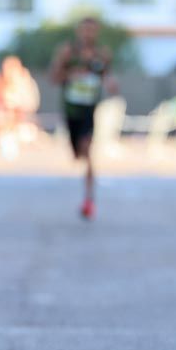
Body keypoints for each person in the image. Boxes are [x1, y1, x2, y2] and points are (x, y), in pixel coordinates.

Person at [51, 17, 117, 219]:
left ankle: (89, 200)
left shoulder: (102, 54)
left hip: (90, 108)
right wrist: (71, 75)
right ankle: (78, 151)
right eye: (84, 30)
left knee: (87, 149)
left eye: (92, 30)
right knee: (77, 153)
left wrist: (110, 84)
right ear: (78, 31)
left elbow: (108, 77)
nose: (88, 34)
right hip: (72, 109)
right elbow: (54, 77)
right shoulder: (68, 52)